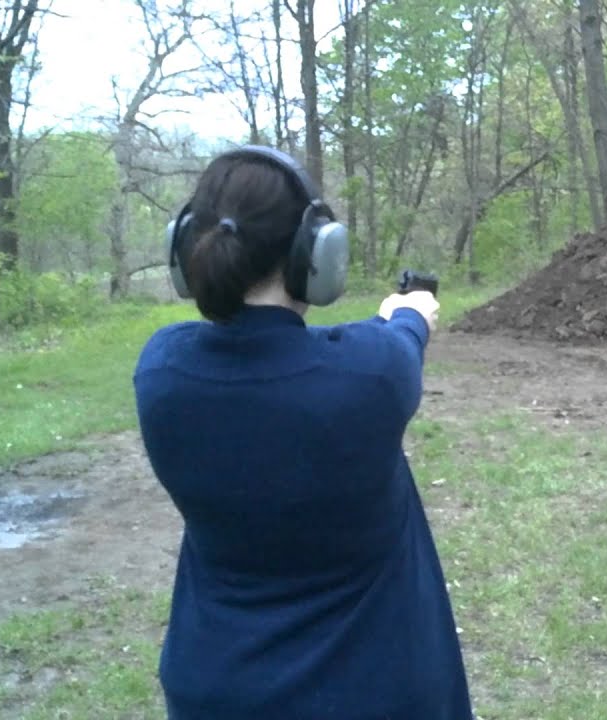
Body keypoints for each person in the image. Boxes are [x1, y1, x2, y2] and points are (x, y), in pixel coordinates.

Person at [133, 145, 473, 719]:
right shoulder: (372, 374)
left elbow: (310, 356)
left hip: (216, 691)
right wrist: (409, 309)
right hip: (373, 694)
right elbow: (393, 340)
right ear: (316, 252)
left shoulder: (163, 371)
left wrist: (388, 321)